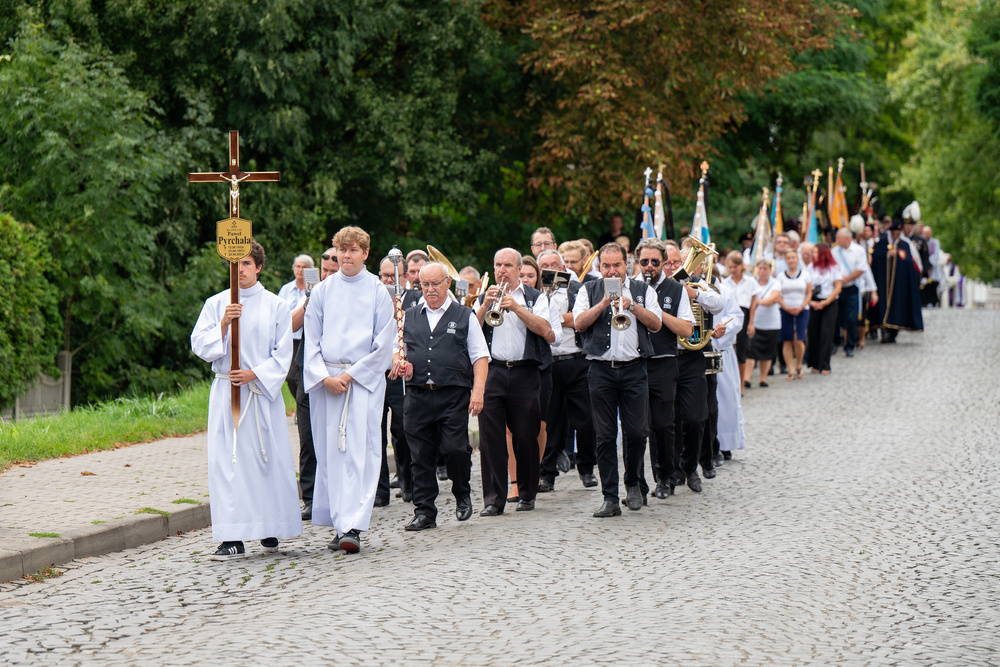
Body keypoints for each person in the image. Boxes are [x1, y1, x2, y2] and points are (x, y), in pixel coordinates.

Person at [190, 240, 302, 560]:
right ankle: (232, 536)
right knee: (229, 464)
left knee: (265, 462)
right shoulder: (217, 303)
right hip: (227, 394)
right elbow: (200, 345)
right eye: (234, 264)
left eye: (247, 264)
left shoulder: (275, 305)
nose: (239, 270)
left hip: (260, 395)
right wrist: (224, 323)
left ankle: (269, 525)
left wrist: (255, 373)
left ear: (259, 267)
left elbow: (283, 352)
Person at [302, 226, 395, 554]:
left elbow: (384, 344)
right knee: (330, 453)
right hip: (327, 383)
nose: (346, 255)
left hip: (362, 383)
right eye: (342, 250)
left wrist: (351, 375)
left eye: (353, 250)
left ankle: (353, 526)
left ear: (365, 254)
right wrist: (323, 377)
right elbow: (311, 339)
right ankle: (339, 522)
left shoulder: (377, 291)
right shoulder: (323, 291)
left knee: (359, 452)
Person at [393, 262, 489, 531]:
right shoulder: (408, 316)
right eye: (425, 284)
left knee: (455, 449)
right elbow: (396, 349)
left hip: (453, 394)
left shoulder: (465, 315)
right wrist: (399, 361)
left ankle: (462, 492)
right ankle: (424, 511)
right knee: (420, 455)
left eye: (435, 283)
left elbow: (480, 356)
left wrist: (478, 391)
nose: (430, 289)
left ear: (448, 283)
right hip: (417, 394)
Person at [573, 242, 663, 516]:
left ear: (627, 264)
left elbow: (656, 324)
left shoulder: (643, 290)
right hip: (601, 370)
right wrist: (603, 302)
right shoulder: (588, 290)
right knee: (605, 435)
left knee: (637, 432)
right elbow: (579, 323)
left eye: (617, 265)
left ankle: (633, 483)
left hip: (634, 369)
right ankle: (610, 497)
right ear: (599, 267)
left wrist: (632, 306)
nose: (612, 271)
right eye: (606, 266)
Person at [475, 248, 559, 516]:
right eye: (498, 265)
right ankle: (493, 499)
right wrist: (485, 306)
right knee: (490, 437)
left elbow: (546, 330)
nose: (502, 270)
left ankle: (527, 492)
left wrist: (517, 308)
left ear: (519, 269)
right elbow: (470, 333)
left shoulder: (535, 297)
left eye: (508, 265)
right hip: (493, 371)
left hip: (526, 372)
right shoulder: (484, 296)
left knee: (526, 435)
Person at [635, 239, 693, 500]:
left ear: (663, 263)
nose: (649, 266)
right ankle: (636, 483)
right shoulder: (629, 287)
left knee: (663, 424)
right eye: (644, 262)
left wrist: (657, 313)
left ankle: (665, 477)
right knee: (636, 427)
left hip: (664, 361)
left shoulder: (676, 289)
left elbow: (686, 329)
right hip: (635, 362)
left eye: (655, 262)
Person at [537, 249, 598, 490]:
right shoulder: (534, 293)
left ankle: (587, 468)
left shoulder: (577, 289)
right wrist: (564, 319)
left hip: (576, 359)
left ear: (563, 269)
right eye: (545, 265)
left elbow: (581, 319)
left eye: (555, 265)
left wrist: (554, 319)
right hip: (548, 362)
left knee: (585, 419)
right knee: (550, 421)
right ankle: (547, 473)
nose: (551, 269)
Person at [291, 249, 339, 521]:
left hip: (337, 373)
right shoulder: (312, 294)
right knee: (308, 436)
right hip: (308, 371)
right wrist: (308, 302)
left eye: (333, 271)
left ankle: (338, 496)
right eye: (325, 271)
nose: (328, 276)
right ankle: (309, 497)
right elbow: (290, 326)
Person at [374, 257, 415, 507]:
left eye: (394, 275)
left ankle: (408, 483)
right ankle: (380, 491)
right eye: (385, 276)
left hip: (401, 374)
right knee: (375, 433)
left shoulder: (415, 300)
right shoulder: (372, 300)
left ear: (405, 277)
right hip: (376, 373)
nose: (389, 280)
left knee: (402, 430)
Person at [871, 218, 923, 342]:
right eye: (894, 233)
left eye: (898, 233)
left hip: (898, 284)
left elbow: (909, 263)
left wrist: (898, 255)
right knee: (882, 306)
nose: (896, 235)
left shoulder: (904, 245)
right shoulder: (881, 243)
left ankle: (893, 332)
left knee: (898, 307)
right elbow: (875, 258)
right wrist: (887, 255)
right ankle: (884, 331)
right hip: (883, 283)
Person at [277, 254, 315, 402]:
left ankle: (305, 405)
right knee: (290, 376)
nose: (300, 270)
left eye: (304, 267)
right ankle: (299, 402)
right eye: (298, 266)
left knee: (307, 375)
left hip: (309, 338)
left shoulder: (315, 288)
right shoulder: (286, 289)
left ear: (310, 270)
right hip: (290, 339)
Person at [806, 244, 843, 375]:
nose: (813, 255)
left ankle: (825, 364)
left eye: (815, 252)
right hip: (814, 301)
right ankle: (814, 363)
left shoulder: (833, 268)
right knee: (813, 332)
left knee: (826, 333)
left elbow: (838, 287)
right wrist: (811, 302)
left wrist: (826, 302)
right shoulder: (811, 267)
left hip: (829, 302)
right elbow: (807, 287)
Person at [832, 227, 868, 358]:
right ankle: (835, 342)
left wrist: (847, 279)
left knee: (851, 318)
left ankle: (850, 345)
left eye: (838, 238)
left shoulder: (858, 250)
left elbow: (861, 268)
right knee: (835, 317)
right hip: (837, 288)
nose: (836, 240)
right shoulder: (834, 251)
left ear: (846, 238)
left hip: (852, 287)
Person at [745, 259, 781, 384]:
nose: (762, 271)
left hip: (771, 323)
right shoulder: (752, 282)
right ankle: (746, 378)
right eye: (760, 268)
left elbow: (773, 298)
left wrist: (757, 302)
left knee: (767, 351)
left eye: (765, 269)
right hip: (755, 322)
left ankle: (763, 378)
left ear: (770, 270)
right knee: (751, 351)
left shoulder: (776, 283)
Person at [777, 248, 811, 380]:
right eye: (788, 258)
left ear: (797, 259)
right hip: (785, 309)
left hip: (802, 309)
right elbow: (778, 293)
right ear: (785, 260)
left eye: (793, 257)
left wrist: (802, 306)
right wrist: (785, 307)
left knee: (799, 338)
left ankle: (799, 365)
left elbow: (809, 292)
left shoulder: (805, 274)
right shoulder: (780, 276)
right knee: (787, 339)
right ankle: (790, 369)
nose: (791, 260)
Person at [723, 252, 755, 387]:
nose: (732, 270)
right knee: (730, 348)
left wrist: (751, 322)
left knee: (742, 349)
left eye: (735, 267)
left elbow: (753, 302)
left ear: (741, 266)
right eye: (730, 267)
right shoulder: (725, 282)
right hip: (730, 315)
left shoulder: (750, 281)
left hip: (744, 313)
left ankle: (741, 383)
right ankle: (733, 383)